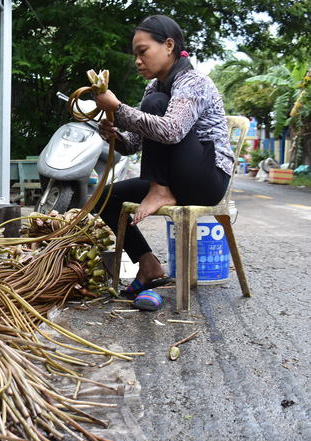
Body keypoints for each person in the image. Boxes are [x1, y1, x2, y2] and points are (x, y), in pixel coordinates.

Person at [93, 14, 234, 308]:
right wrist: (113, 134)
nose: (137, 61)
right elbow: (135, 144)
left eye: (143, 52)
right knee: (105, 197)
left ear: (168, 45)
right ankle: (148, 264)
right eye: (135, 55)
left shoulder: (194, 82)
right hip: (175, 179)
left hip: (207, 180)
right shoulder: (154, 87)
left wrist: (119, 108)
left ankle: (159, 190)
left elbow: (170, 131)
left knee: (156, 106)